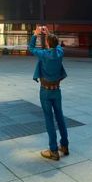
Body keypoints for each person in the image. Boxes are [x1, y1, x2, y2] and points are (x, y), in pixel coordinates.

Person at [28, 25, 68, 161]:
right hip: (57, 90)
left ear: (47, 43)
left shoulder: (44, 55)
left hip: (45, 91)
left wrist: (35, 34)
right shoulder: (60, 52)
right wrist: (49, 34)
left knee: (49, 119)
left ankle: (53, 150)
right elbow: (55, 45)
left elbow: (31, 49)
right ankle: (64, 145)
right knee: (60, 117)